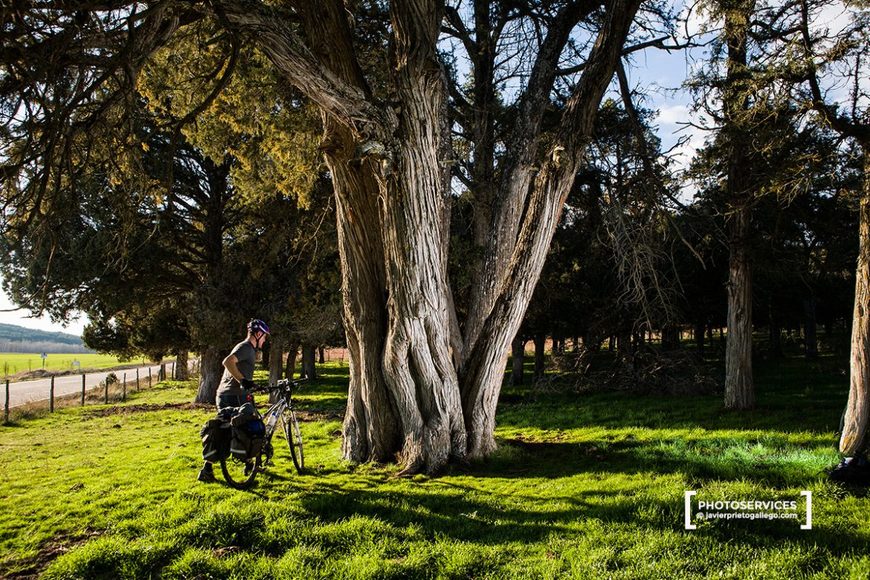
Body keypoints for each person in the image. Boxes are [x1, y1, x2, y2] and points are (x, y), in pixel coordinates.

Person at [198, 318, 270, 483]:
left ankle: (207, 469)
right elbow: (228, 362)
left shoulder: (245, 349)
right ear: (258, 334)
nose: (265, 340)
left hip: (223, 394)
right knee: (250, 425)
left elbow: (236, 369)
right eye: (264, 336)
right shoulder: (246, 347)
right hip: (235, 395)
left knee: (224, 430)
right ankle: (250, 463)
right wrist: (243, 381)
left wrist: (249, 383)